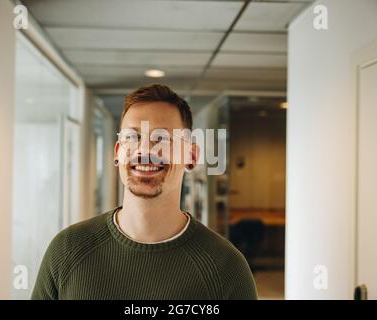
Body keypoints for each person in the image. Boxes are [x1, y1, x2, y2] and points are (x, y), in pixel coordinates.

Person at [31, 84, 257, 300]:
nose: (145, 150)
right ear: (118, 151)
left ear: (191, 156)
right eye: (132, 137)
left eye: (162, 139)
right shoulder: (67, 250)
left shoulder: (226, 267)